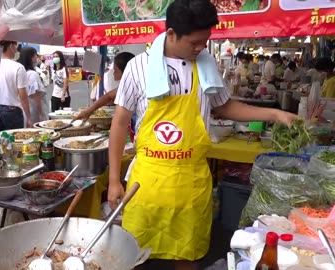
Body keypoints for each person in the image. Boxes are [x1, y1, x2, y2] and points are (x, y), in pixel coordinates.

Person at [107, 1, 298, 269]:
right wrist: (114, 180)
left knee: (189, 254)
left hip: (190, 183)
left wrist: (275, 114)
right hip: (148, 184)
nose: (201, 48)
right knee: (134, 254)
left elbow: (225, 107)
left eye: (205, 42)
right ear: (171, 34)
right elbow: (118, 124)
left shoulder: (205, 65)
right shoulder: (139, 67)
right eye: (194, 42)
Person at [76, 52, 135, 121]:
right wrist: (88, 111)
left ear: (125, 72)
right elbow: (108, 96)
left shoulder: (132, 87)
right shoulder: (125, 85)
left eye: (115, 71)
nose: (113, 73)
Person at [0, 40, 31, 130]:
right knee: (15, 141)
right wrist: (29, 117)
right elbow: (23, 95)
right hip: (12, 110)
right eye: (15, 47)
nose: (16, 50)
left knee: (1, 141)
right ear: (11, 46)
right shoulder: (18, 67)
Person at [18, 46, 47, 124]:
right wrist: (41, 112)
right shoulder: (32, 74)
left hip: (24, 109)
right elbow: (36, 95)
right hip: (34, 110)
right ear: (30, 57)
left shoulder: (21, 72)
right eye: (35, 55)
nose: (36, 58)